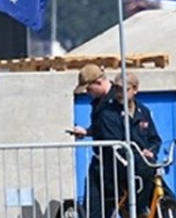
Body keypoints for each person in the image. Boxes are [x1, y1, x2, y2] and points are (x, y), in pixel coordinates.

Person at [69, 63, 125, 218]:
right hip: (99, 163)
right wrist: (86, 131)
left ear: (99, 82)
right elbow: (102, 128)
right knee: (93, 208)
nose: (87, 93)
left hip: (117, 164)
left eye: (89, 88)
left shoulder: (117, 99)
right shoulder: (97, 102)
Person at [114, 72, 162, 213]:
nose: (120, 93)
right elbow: (116, 141)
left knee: (164, 192)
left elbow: (155, 139)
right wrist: (136, 154)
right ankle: (138, 210)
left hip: (145, 163)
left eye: (125, 89)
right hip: (124, 164)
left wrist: (151, 151)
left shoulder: (143, 111)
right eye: (117, 89)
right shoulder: (112, 113)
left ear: (135, 89)